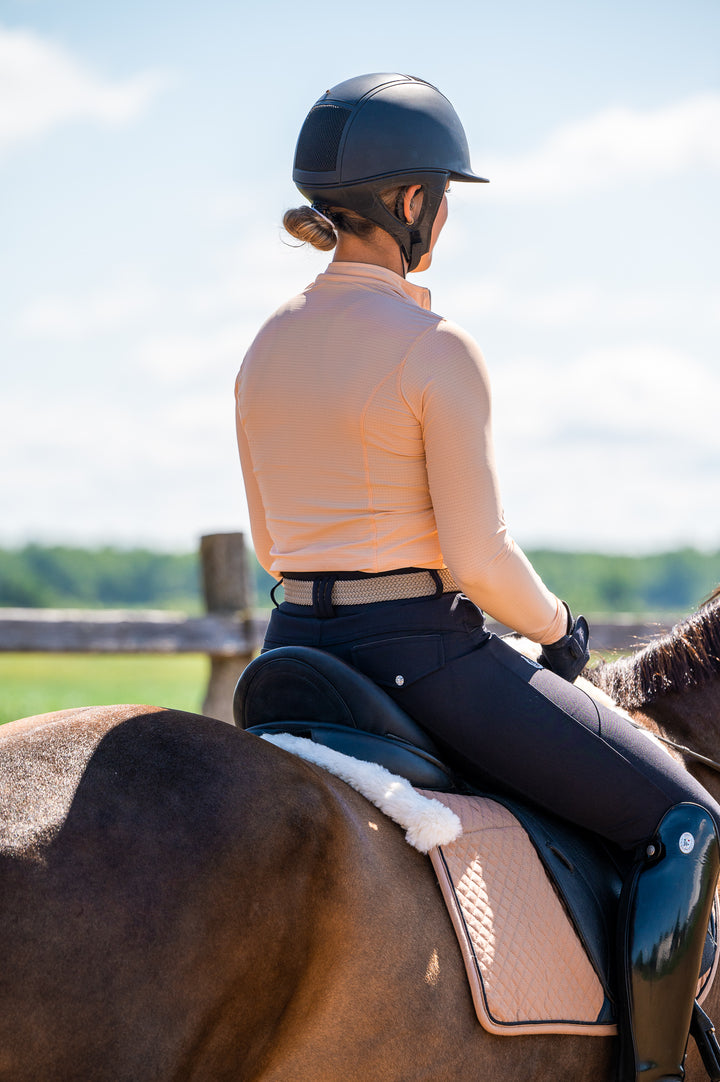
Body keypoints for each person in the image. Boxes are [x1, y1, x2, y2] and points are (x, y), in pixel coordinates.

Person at [235, 73, 720, 1082]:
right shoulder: (435, 347)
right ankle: (660, 1071)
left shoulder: (265, 344)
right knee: (687, 822)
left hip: (290, 657)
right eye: (443, 198)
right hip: (421, 654)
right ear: (413, 204)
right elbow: (480, 560)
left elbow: (275, 545)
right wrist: (559, 631)